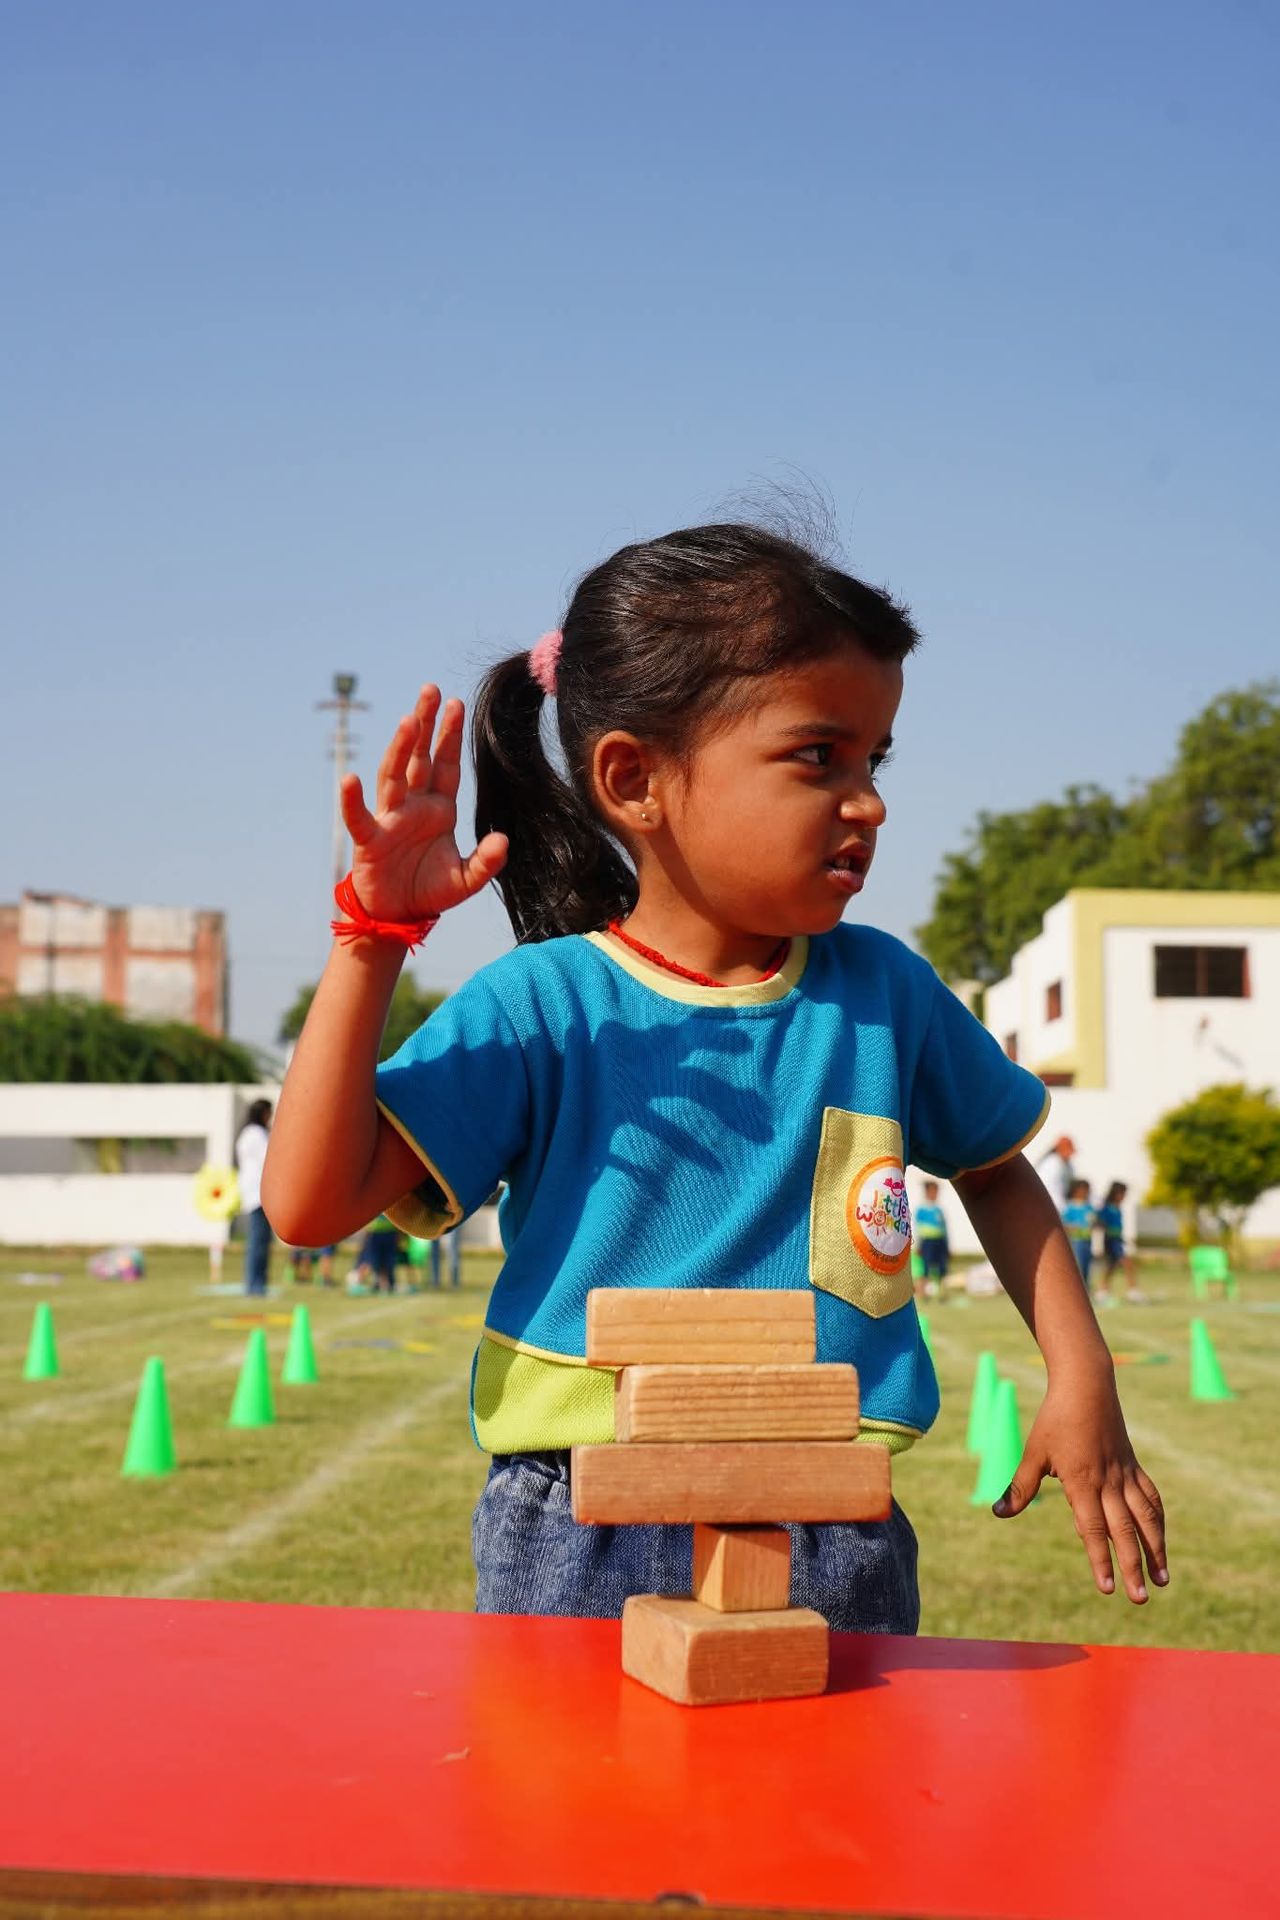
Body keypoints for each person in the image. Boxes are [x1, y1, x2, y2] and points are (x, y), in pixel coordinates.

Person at [263, 521, 1167, 1627]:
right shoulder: (543, 1004)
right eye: (817, 756)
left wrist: (1082, 1373)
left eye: (874, 761)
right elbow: (306, 1206)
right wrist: (370, 937)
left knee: (829, 1808)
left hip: (835, 1526)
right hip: (579, 1523)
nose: (867, 802)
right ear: (633, 778)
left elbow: (991, 1170)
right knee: (578, 1808)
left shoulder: (885, 993)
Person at [234, 1099, 273, 1297]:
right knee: (259, 1240)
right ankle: (255, 1284)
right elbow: (270, 1157)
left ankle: (257, 1282)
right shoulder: (256, 1134)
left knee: (259, 1240)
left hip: (253, 1192)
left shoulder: (247, 1134)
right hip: (258, 1194)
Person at [1096, 1181, 1146, 1305]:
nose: (1124, 1197)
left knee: (1112, 1267)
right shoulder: (1107, 1208)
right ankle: (1132, 1291)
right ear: (1116, 1194)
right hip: (1110, 1241)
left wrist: (1123, 1238)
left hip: (1117, 1240)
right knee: (1126, 1263)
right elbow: (1100, 1222)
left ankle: (1103, 1291)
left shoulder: (1118, 1208)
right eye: (1123, 1193)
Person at [914, 1180, 950, 1298]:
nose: (934, 1194)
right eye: (932, 1191)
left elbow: (945, 1229)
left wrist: (947, 1246)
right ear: (927, 1192)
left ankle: (942, 1292)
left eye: (936, 1191)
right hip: (927, 1242)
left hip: (939, 1242)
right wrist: (918, 1245)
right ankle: (923, 1293)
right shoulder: (921, 1210)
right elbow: (917, 1228)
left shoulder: (939, 1210)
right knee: (925, 1267)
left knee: (942, 1267)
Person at [1061, 1178, 1095, 1293]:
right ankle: (1075, 1290)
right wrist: (1072, 1228)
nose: (1086, 1193)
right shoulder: (1070, 1207)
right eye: (1084, 1190)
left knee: (1086, 1265)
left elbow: (1093, 1220)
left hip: (1087, 1240)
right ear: (1076, 1191)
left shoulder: (1088, 1207)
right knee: (1078, 1265)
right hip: (1076, 1241)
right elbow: (1064, 1223)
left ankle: (1086, 1290)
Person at [1036, 1135, 1077, 1214]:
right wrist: (1064, 1210)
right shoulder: (1052, 1163)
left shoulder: (1067, 1165)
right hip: (1047, 1205)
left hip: (1058, 1206)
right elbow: (1051, 1189)